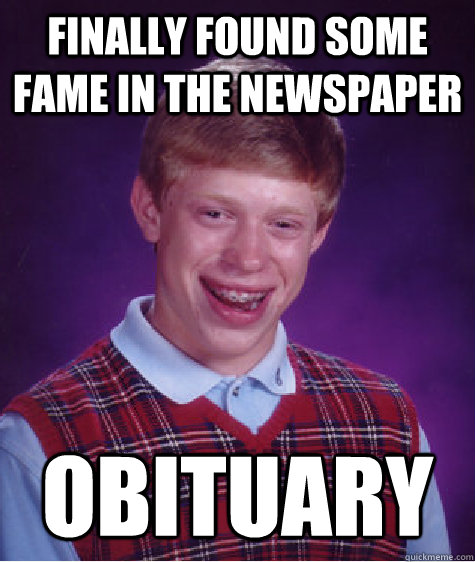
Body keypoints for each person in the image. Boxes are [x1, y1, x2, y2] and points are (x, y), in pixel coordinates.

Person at [0, 57, 450, 560]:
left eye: (283, 224)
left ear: (318, 233)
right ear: (150, 210)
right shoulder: (40, 448)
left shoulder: (388, 426)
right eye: (215, 214)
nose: (248, 258)